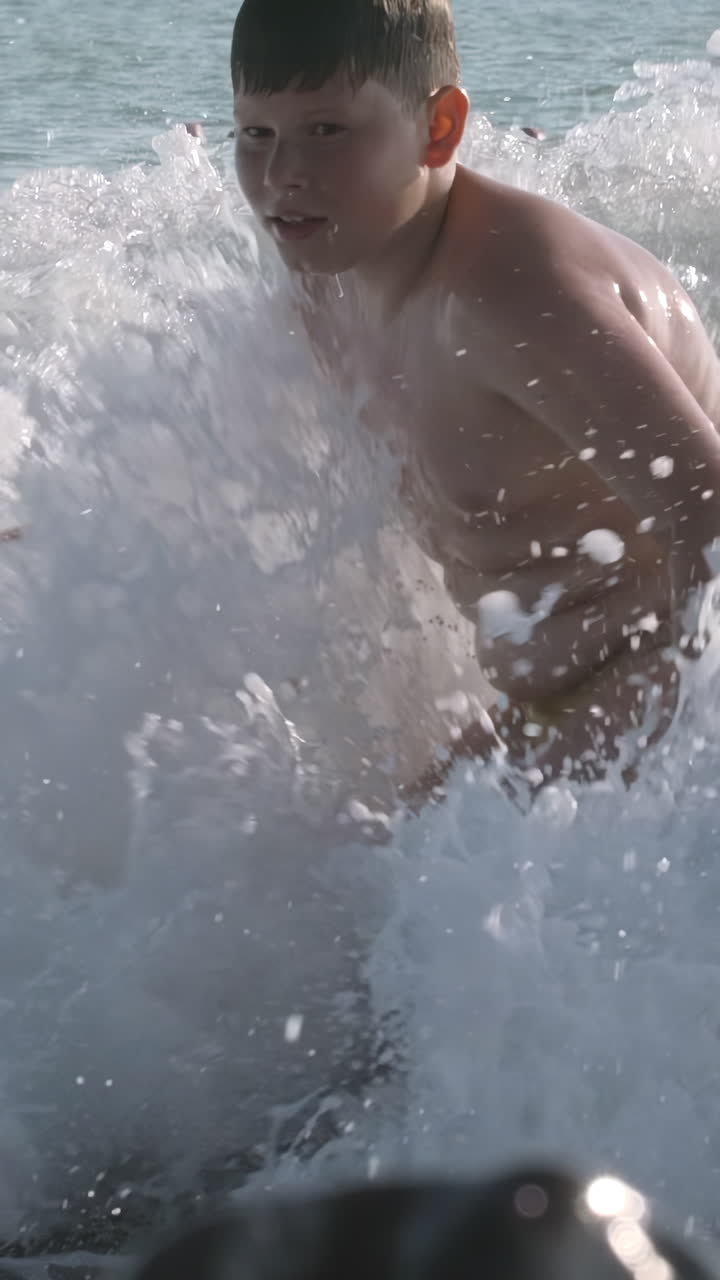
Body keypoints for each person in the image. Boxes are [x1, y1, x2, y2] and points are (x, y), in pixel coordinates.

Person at [229, 0, 720, 788]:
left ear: (440, 128)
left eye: (328, 131)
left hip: (667, 676)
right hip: (547, 701)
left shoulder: (516, 294)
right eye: (256, 133)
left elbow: (715, 521)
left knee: (409, 885)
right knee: (345, 875)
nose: (283, 173)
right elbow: (248, 481)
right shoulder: (324, 284)